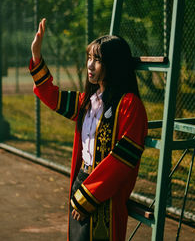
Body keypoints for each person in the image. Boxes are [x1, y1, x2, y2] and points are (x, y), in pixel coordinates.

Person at [29, 18, 148, 241]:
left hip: (103, 193)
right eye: (89, 58)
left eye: (98, 60)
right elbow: (52, 96)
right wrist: (36, 57)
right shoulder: (88, 101)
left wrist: (88, 196)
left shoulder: (130, 105)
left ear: (114, 64)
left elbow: (124, 159)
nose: (90, 65)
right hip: (80, 185)